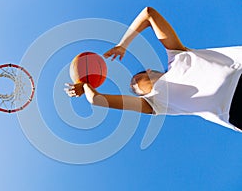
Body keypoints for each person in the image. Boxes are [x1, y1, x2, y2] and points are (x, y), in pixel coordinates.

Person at [64, 7, 242, 132]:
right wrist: (85, 84)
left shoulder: (177, 55)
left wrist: (122, 45)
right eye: (135, 91)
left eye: (135, 80)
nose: (133, 86)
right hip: (234, 111)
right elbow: (97, 100)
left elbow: (148, 14)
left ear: (149, 71)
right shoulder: (155, 103)